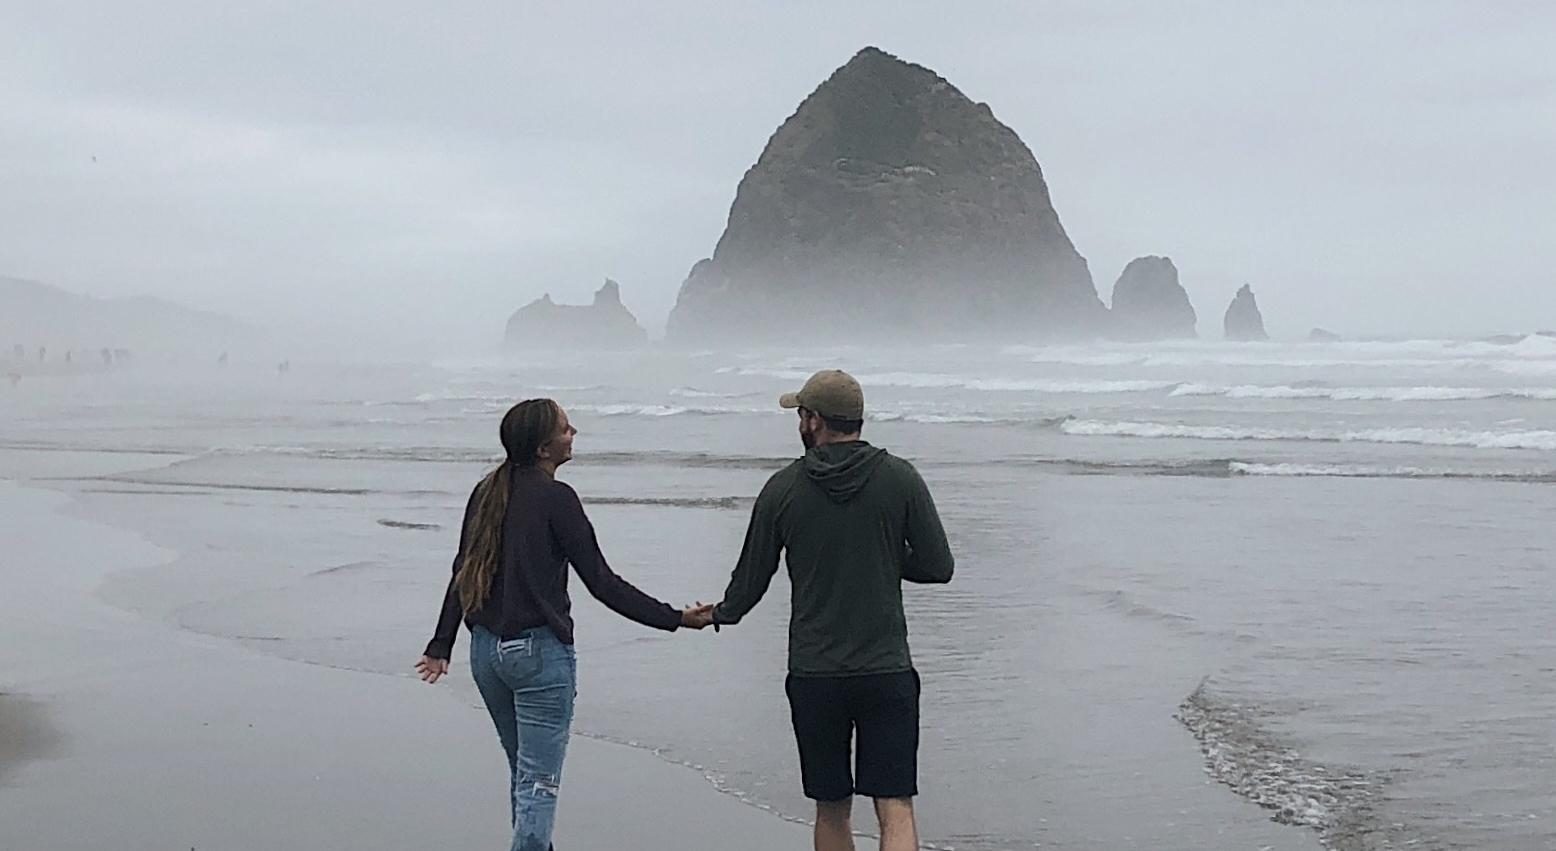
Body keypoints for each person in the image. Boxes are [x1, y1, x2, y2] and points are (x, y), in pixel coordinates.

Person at [416, 398, 713, 851]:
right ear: (542, 448)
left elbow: (463, 571)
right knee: (539, 782)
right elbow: (602, 582)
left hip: (486, 655)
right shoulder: (557, 498)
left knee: (525, 776)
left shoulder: (486, 490)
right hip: (537, 656)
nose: (573, 433)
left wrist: (442, 644)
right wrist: (674, 618)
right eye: (565, 428)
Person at [707, 369, 954, 851]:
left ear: (815, 420)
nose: (799, 423)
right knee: (895, 803)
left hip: (815, 674)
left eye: (801, 415)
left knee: (831, 806)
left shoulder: (782, 488)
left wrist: (717, 614)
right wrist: (883, 554)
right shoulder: (900, 477)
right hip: (886, 670)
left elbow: (750, 581)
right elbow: (938, 566)